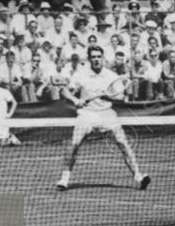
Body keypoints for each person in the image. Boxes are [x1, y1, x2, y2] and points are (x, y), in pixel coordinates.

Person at [57, 46, 150, 191]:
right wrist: (75, 101)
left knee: (123, 143)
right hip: (87, 114)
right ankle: (64, 179)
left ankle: (139, 176)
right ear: (89, 59)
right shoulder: (81, 74)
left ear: (102, 58)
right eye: (93, 57)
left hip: (107, 114)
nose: (96, 59)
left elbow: (121, 99)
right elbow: (64, 91)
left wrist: (106, 96)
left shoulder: (111, 76)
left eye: (98, 56)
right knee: (74, 145)